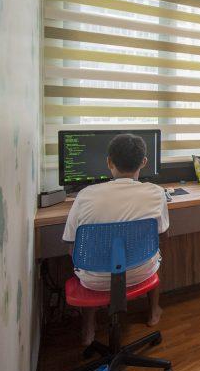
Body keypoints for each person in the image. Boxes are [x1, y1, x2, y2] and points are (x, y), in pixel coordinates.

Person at [62, 133, 169, 345]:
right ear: (144, 162)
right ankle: (153, 311)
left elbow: (69, 243)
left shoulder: (85, 195)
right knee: (157, 252)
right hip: (142, 271)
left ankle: (89, 327)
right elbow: (163, 235)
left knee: (85, 257)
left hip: (94, 279)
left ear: (109, 162)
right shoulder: (156, 193)